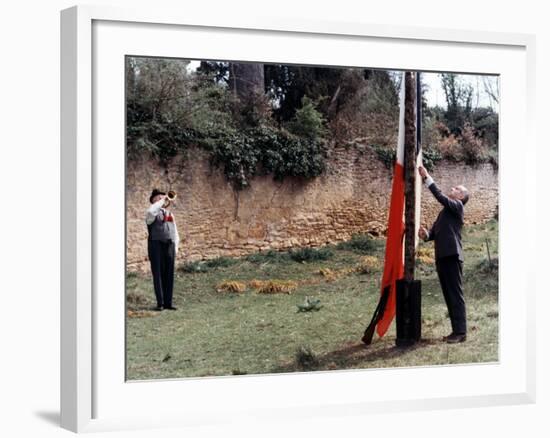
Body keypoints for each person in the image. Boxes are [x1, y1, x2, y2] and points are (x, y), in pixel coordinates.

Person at [418, 166, 469, 344]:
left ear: (461, 197)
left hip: (453, 256)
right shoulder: (445, 213)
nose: (453, 189)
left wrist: (427, 178)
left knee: (455, 294)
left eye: (457, 189)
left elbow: (440, 196)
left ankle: (461, 332)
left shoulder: (457, 207)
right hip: (442, 256)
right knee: (448, 294)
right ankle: (456, 332)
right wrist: (426, 234)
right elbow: (435, 232)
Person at [145, 189, 180, 311]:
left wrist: (175, 247)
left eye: (162, 197)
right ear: (153, 200)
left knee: (169, 274)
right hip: (156, 245)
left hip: (169, 245)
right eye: (158, 198)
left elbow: (175, 232)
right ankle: (160, 303)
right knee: (158, 274)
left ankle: (168, 303)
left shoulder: (170, 214)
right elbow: (151, 210)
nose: (162, 199)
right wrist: (162, 200)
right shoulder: (150, 213)